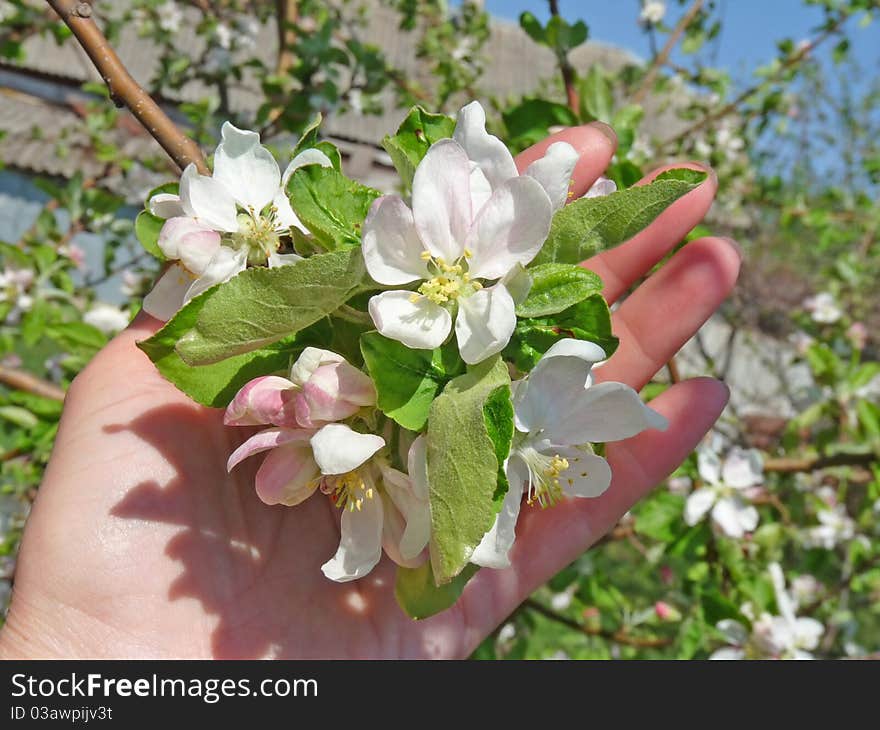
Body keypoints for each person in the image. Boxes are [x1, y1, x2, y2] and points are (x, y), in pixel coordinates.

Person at [0, 122, 739, 658]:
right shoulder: (397, 296)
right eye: (443, 270)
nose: (447, 278)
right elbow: (391, 285)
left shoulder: (490, 326)